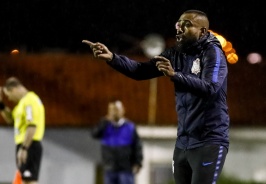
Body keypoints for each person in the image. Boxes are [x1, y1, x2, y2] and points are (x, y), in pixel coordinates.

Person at [83, 9, 229, 184]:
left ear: (203, 32)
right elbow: (140, 71)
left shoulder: (213, 53)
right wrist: (112, 58)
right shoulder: (175, 54)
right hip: (183, 142)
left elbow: (210, 87)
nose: (180, 28)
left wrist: (175, 75)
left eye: (187, 25)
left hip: (209, 140)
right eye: (179, 24)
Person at [0, 77, 45, 184]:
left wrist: (24, 148)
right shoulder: (22, 104)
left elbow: (32, 125)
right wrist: (0, 104)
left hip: (30, 145)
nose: (9, 99)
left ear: (13, 89)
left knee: (29, 181)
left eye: (8, 95)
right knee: (25, 181)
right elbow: (11, 120)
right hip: (25, 145)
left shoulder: (30, 101)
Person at [91, 100, 143, 184]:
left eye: (117, 110)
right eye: (112, 110)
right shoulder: (105, 126)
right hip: (110, 168)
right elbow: (94, 134)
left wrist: (138, 163)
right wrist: (105, 121)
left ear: (123, 110)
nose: (115, 112)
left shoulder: (129, 127)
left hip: (126, 169)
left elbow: (137, 146)